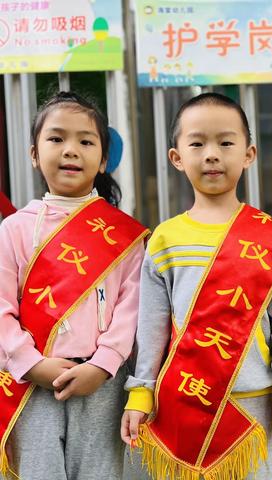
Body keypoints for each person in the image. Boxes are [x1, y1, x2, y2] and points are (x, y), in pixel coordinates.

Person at [121, 92, 272, 480]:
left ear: (249, 154)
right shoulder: (164, 239)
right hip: (182, 401)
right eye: (197, 143)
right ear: (176, 157)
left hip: (255, 405)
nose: (212, 154)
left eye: (226, 142)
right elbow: (152, 327)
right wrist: (140, 392)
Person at [0, 91, 149, 479]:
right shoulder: (13, 230)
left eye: (85, 141)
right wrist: (31, 363)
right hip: (31, 382)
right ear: (34, 153)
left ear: (103, 159)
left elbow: (131, 309)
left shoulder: (123, 235)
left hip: (100, 382)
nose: (71, 150)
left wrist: (103, 365)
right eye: (56, 138)